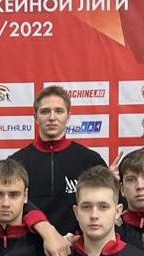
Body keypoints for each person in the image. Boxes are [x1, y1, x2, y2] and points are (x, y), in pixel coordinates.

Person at [10, 85, 106, 234]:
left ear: (68, 116)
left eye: (59, 111)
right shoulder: (17, 162)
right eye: (45, 111)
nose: (52, 117)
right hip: (29, 244)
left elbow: (106, 207)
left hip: (79, 245)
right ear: (35, 117)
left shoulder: (90, 160)